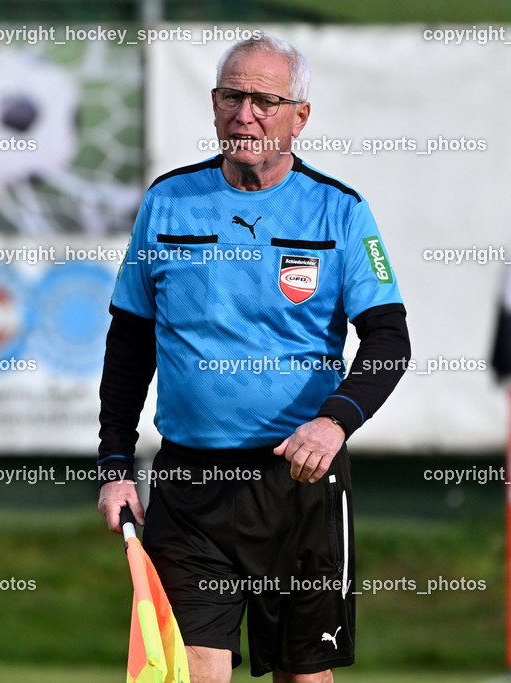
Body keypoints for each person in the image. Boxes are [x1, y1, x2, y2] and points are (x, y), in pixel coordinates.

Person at [98, 34, 410, 683]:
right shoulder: (167, 204)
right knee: (192, 672)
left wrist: (335, 421)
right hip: (190, 489)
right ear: (213, 105)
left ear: (299, 115)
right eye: (232, 96)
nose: (246, 114)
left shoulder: (339, 211)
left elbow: (388, 340)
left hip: (298, 489)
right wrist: (114, 462)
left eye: (265, 100)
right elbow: (129, 342)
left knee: (302, 675)